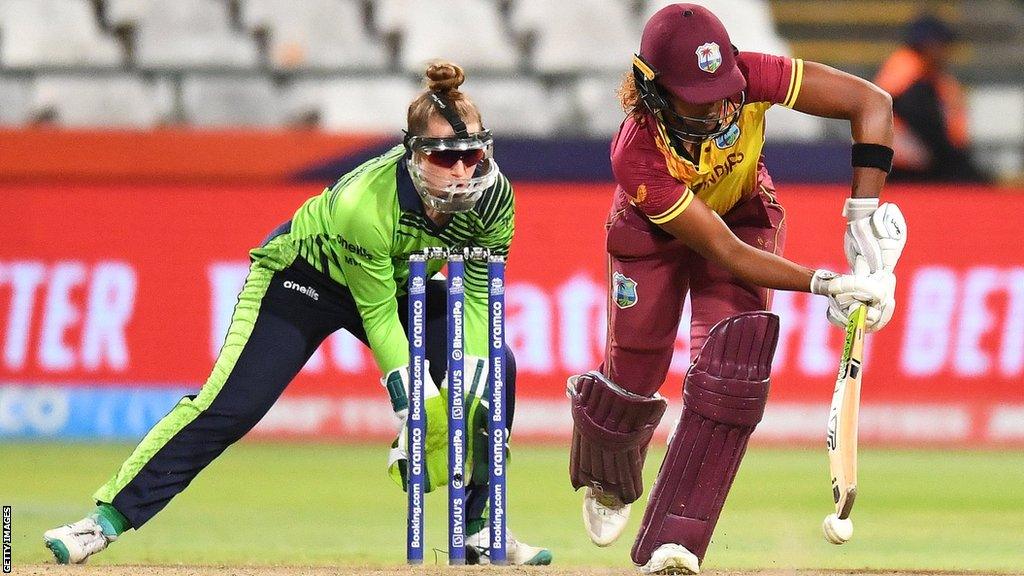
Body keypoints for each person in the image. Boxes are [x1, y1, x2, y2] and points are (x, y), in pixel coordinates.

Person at [42, 61, 551, 567]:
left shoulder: (494, 199)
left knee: (495, 368)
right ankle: (103, 521)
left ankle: (479, 530)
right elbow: (378, 319)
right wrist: (417, 409)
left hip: (392, 282)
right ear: (413, 155)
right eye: (446, 157)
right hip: (302, 279)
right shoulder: (364, 206)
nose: (463, 171)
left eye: (471, 153)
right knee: (231, 407)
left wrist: (470, 393)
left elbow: (483, 299)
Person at [566, 4, 906, 574]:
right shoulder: (637, 152)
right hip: (652, 235)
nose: (723, 108)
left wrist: (863, 216)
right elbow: (723, 252)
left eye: (723, 89)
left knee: (733, 370)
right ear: (653, 93)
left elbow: (872, 103)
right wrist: (825, 282)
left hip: (745, 209)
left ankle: (677, 537)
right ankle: (607, 480)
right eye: (698, 99)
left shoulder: (749, 76)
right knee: (636, 370)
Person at [874, 15, 990, 182]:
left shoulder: (930, 75)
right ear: (928, 44)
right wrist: (957, 162)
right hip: (906, 171)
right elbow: (926, 124)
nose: (947, 51)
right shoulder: (908, 74)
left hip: (916, 166)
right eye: (943, 44)